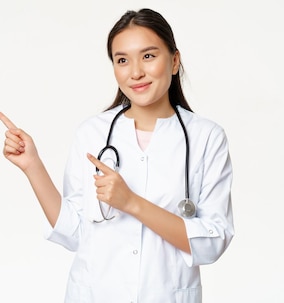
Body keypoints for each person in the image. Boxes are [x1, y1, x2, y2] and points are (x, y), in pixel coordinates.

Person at [0, 8, 234, 303]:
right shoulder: (93, 133)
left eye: (148, 56)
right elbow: (74, 232)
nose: (135, 72)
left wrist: (131, 202)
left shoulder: (206, 138)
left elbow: (212, 241)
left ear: (174, 61)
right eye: (122, 60)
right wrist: (32, 165)